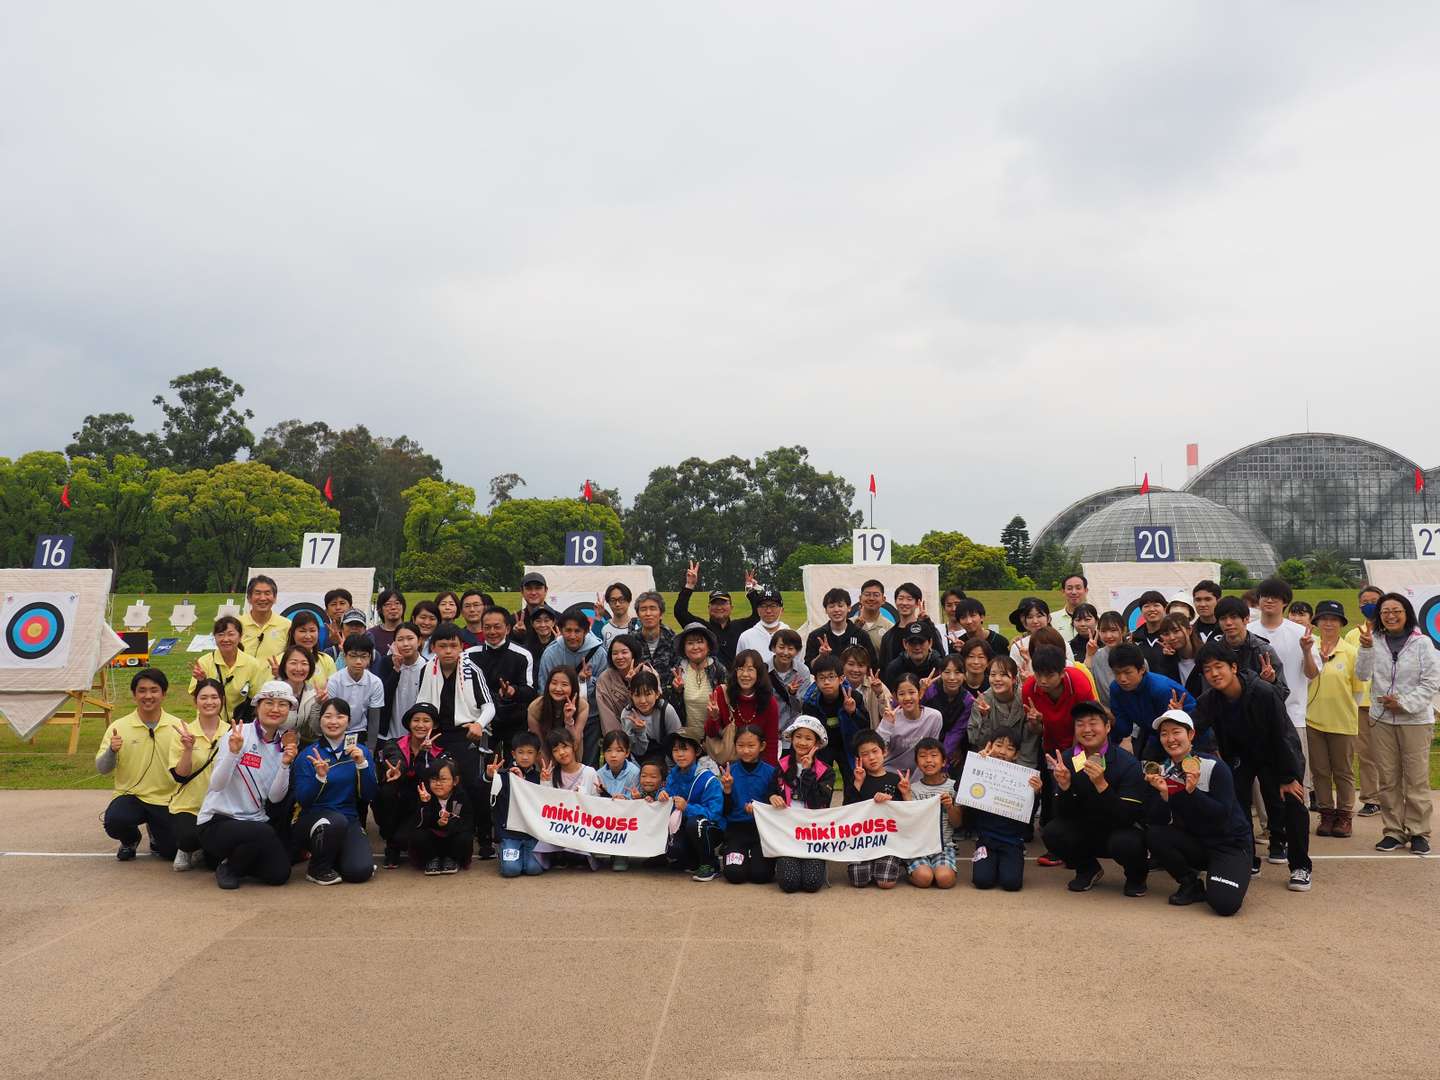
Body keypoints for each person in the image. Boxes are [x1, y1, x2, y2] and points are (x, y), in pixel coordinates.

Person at [1191, 640, 1312, 889]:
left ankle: (1300, 865)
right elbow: (1192, 729)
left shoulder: (1264, 692)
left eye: (1218, 667)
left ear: (1233, 667)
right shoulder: (1209, 701)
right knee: (1235, 802)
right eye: (1207, 670)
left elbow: (1282, 736)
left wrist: (1289, 777)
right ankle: (1248, 858)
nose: (1214, 674)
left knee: (1292, 801)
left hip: (1278, 752)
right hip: (1240, 757)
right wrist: (1179, 719)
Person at [1142, 709, 1253, 915]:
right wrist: (1165, 795)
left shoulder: (1214, 766)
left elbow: (1221, 816)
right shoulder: (1163, 771)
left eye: (1176, 732)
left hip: (1229, 845)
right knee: (1154, 835)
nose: (1170, 739)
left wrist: (1191, 793)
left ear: (1191, 735)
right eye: (1164, 734)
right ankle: (1190, 883)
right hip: (1196, 843)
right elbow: (1156, 820)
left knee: (1224, 905)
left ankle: (1226, 872)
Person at [1354, 593, 1440, 854]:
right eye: (1385, 612)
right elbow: (1362, 674)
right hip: (1381, 719)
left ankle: (1418, 832)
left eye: (1396, 611)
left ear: (1407, 613)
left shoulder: (1422, 643)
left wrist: (1403, 702)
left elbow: (1432, 682)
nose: (1390, 616)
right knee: (1388, 778)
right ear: (1379, 616)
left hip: (1415, 719)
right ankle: (1393, 831)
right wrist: (1366, 648)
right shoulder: (1373, 641)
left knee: (1415, 778)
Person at [196, 681, 299, 889]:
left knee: (279, 874)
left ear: (289, 710)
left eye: (282, 704)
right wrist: (234, 753)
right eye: (269, 703)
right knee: (263, 833)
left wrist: (285, 765)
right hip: (218, 821)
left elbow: (275, 797)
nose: (275, 709)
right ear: (257, 706)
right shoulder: (238, 734)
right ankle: (230, 868)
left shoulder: (283, 746)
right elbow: (216, 784)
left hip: (255, 822)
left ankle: (233, 859)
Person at [1041, 701, 1149, 895]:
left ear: (1107, 727)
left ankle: (1136, 876)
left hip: (1119, 831)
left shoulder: (1127, 763)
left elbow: (1128, 817)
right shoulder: (1067, 760)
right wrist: (1065, 787)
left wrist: (1102, 785)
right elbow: (1062, 814)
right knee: (1053, 832)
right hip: (1086, 829)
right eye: (1080, 724)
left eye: (1093, 723)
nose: (1087, 729)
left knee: (1127, 843)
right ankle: (1087, 869)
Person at [417, 623, 498, 858]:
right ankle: (438, 836)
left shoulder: (472, 669)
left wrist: (478, 724)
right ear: (433, 648)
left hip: (467, 734)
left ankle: (484, 840)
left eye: (453, 645)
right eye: (442, 646)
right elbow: (422, 704)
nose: (448, 651)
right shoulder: (427, 670)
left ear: (461, 647)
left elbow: (489, 706)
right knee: (435, 784)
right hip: (438, 735)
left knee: (475, 785)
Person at [97, 668, 182, 862]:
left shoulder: (178, 726)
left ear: (164, 694)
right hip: (131, 796)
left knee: (170, 852)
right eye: (142, 690)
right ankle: (130, 839)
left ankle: (156, 835)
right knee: (115, 821)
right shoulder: (119, 727)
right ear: (134, 694)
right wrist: (111, 750)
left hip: (166, 799)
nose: (148, 696)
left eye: (154, 690)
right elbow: (102, 768)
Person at [291, 699, 377, 885]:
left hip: (348, 819)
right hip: (314, 821)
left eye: (340, 716)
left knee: (359, 872)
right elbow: (303, 800)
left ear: (349, 720)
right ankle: (317, 868)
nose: (333, 721)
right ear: (320, 720)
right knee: (334, 821)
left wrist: (362, 764)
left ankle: (337, 856)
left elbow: (369, 795)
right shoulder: (309, 754)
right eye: (327, 716)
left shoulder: (360, 751)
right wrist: (319, 778)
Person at [1248, 577, 1318, 782]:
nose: (1269, 601)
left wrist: (1306, 651)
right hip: (1257, 717)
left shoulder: (1299, 633)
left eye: (1275, 597)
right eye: (1265, 596)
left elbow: (1312, 674)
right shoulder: (1249, 632)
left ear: (1285, 602)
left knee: (1296, 777)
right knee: (1263, 781)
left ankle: (1299, 813)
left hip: (1293, 715)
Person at [1307, 601, 1363, 839]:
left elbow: (1358, 691)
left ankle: (1344, 815)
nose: (1328, 623)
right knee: (1319, 770)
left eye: (1334, 619)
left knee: (1343, 771)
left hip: (1342, 721)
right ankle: (1326, 813)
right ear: (1317, 622)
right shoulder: (1309, 647)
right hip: (1313, 720)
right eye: (1324, 618)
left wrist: (1347, 710)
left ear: (1341, 623)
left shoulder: (1351, 652)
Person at [765, 716, 835, 893]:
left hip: (814, 834)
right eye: (799, 736)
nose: (802, 742)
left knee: (811, 883)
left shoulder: (826, 771)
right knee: (789, 883)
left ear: (817, 743)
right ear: (792, 738)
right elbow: (770, 790)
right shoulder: (780, 766)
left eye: (808, 738)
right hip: (786, 834)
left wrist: (807, 772)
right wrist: (772, 796)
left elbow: (818, 802)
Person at [970, 728, 1042, 892]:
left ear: (1016, 754)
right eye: (999, 745)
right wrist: (978, 763)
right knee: (982, 880)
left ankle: (1012, 859)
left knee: (1011, 883)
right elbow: (962, 791)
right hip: (985, 839)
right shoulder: (979, 766)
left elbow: (1028, 815)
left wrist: (1036, 793)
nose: (1003, 752)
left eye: (1010, 749)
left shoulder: (1024, 779)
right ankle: (991, 863)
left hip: (1012, 841)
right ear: (990, 745)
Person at [168, 678, 229, 871]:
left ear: (222, 700)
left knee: (214, 863)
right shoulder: (184, 732)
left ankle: (205, 849)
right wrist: (188, 749)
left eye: (214, 697)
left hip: (221, 807)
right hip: (190, 806)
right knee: (188, 837)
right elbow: (180, 776)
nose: (209, 702)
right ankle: (187, 848)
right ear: (196, 701)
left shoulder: (232, 732)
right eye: (203, 697)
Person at [375, 703, 445, 868]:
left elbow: (434, 778)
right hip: (399, 801)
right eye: (416, 720)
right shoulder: (394, 744)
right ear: (409, 723)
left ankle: (410, 840)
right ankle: (391, 847)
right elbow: (394, 759)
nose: (420, 725)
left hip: (424, 803)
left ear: (434, 725)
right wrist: (398, 772)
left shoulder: (441, 751)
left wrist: (424, 754)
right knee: (386, 792)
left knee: (406, 840)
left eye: (426, 721)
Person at [537, 607, 608, 761]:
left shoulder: (599, 653)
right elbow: (543, 687)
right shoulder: (551, 653)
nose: (572, 636)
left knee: (588, 762)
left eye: (577, 631)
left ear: (586, 631)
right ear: (560, 630)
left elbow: (605, 687)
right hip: (558, 718)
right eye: (568, 630)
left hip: (590, 717)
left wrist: (588, 680)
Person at [466, 606, 537, 756]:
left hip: (515, 721)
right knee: (484, 767)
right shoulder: (469, 656)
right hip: (483, 722)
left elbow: (530, 691)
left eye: (497, 627)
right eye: (487, 627)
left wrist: (512, 691)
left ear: (508, 628)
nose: (492, 632)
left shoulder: (522, 655)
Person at [1105, 643, 1196, 758]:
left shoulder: (1160, 689)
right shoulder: (1116, 689)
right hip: (1155, 733)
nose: (1122, 679)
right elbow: (1124, 728)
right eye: (1117, 673)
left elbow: (1173, 728)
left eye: (1127, 673)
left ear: (1142, 669)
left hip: (1190, 733)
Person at [845, 728, 908, 889]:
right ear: (858, 759)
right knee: (859, 881)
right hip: (862, 840)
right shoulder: (856, 780)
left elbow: (906, 813)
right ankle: (873, 865)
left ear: (884, 752)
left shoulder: (895, 779)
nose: (871, 757)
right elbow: (846, 811)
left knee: (886, 882)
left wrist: (892, 800)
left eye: (875, 751)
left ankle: (894, 863)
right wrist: (857, 784)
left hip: (888, 841)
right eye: (865, 754)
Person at [801, 654, 868, 801]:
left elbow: (864, 726)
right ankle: (823, 816)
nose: (826, 682)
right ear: (816, 680)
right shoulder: (810, 702)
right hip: (823, 746)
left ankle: (851, 816)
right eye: (822, 678)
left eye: (831, 677)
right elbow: (808, 730)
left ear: (841, 678)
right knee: (822, 781)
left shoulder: (854, 697)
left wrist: (852, 712)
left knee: (853, 781)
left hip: (848, 744)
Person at [717, 725, 778, 884]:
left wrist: (759, 809)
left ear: (762, 746)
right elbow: (724, 811)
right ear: (735, 745)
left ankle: (755, 858)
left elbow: (776, 807)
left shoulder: (771, 772)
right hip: (736, 830)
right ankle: (736, 853)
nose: (745, 750)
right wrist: (727, 790)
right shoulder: (730, 773)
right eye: (741, 745)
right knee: (734, 874)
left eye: (751, 746)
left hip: (762, 831)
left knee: (761, 875)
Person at [663, 731, 725, 881]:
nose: (680, 754)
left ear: (696, 751)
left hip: (710, 829)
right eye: (676, 750)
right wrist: (662, 795)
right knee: (674, 849)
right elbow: (669, 800)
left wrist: (687, 807)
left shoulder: (708, 778)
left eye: (684, 749)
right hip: (684, 826)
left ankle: (710, 864)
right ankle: (691, 860)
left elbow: (715, 813)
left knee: (695, 823)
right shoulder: (673, 774)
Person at [1345, 584, 1385, 817]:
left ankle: (1392, 795)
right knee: (1367, 753)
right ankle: (1372, 798)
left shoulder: (1392, 630)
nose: (1368, 605)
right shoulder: (1352, 634)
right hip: (1361, 702)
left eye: (1373, 600)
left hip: (1387, 701)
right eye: (1364, 602)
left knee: (1392, 753)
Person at [675, 560, 762, 665]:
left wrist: (751, 592)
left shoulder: (740, 627)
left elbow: (759, 615)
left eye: (723, 603)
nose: (719, 607)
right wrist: (689, 585)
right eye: (715, 603)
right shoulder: (701, 628)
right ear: (709, 607)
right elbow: (680, 612)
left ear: (731, 607)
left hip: (737, 679)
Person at [707, 649, 780, 765]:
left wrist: (770, 775)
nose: (745, 674)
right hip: (726, 763)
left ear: (759, 673)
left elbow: (771, 743)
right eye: (740, 669)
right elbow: (710, 734)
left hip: (756, 764)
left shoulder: (769, 702)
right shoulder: (722, 694)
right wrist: (714, 717)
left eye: (750, 670)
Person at [488, 731, 545, 878]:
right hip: (509, 833)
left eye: (530, 752)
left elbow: (544, 802)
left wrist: (545, 782)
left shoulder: (540, 777)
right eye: (521, 752)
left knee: (534, 869)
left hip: (532, 833)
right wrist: (489, 776)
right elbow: (483, 789)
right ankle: (505, 851)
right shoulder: (503, 775)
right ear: (513, 754)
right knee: (510, 870)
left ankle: (528, 852)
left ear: (537, 755)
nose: (525, 757)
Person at [189, 615, 267, 721]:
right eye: (220, 635)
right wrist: (201, 681)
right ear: (214, 638)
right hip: (210, 721)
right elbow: (196, 696)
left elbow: (256, 697)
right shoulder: (204, 662)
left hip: (241, 722)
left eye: (231, 634)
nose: (226, 639)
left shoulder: (252, 664)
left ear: (240, 637)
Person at [906, 737, 959, 889]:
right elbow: (910, 822)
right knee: (924, 879)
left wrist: (950, 807)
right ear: (917, 763)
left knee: (945, 880)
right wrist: (906, 795)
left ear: (944, 761)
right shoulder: (913, 789)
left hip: (944, 846)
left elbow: (957, 823)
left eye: (934, 755)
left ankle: (944, 868)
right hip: (918, 846)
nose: (928, 760)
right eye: (923, 756)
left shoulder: (953, 787)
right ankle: (910, 866)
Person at [967, 656, 1037, 769]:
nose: (997, 679)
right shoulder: (981, 701)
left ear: (1014, 679)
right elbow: (976, 740)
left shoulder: (1026, 700)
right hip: (988, 761)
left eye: (1003, 675)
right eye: (993, 675)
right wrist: (985, 718)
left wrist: (1022, 772)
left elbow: (1029, 743)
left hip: (1019, 763)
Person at [411, 758, 473, 874]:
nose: (438, 784)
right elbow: (420, 823)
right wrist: (425, 804)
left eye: (443, 779)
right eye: (434, 779)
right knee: (418, 835)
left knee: (465, 837)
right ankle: (432, 859)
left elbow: (467, 823)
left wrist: (448, 823)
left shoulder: (461, 796)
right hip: (433, 842)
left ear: (455, 781)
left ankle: (452, 859)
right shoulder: (425, 796)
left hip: (453, 839)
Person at [325, 633, 386, 748]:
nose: (358, 661)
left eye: (363, 656)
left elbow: (374, 720)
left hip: (360, 731)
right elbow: (330, 714)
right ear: (345, 656)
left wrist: (371, 749)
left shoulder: (375, 682)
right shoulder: (334, 681)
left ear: (370, 658)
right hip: (335, 730)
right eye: (353, 656)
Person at [669, 623, 727, 742]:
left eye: (700, 642)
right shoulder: (679, 670)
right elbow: (672, 710)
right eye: (690, 643)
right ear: (684, 648)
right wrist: (677, 691)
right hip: (687, 740)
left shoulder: (719, 670)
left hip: (715, 739)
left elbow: (729, 706)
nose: (695, 647)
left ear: (708, 646)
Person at [877, 673, 942, 773]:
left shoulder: (934, 717)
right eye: (902, 694)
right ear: (895, 697)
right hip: (891, 772)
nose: (907, 698)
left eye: (912, 692)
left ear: (920, 693)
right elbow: (877, 747)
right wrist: (887, 725)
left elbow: (932, 750)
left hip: (920, 774)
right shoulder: (891, 717)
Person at [373, 622, 426, 743]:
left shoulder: (426, 666)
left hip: (417, 735)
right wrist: (396, 670)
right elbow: (382, 697)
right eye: (400, 639)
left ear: (419, 641)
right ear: (394, 643)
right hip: (389, 735)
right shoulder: (386, 663)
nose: (405, 644)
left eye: (410, 638)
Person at [926, 651, 976, 767]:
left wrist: (941, 760)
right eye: (947, 672)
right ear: (940, 673)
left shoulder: (968, 700)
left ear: (965, 675)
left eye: (958, 672)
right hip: (924, 739)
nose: (952, 678)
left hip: (948, 747)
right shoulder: (929, 691)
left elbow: (957, 731)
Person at [804, 587, 878, 666]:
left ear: (849, 608)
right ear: (825, 610)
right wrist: (821, 656)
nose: (836, 610)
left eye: (840, 606)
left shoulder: (861, 635)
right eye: (831, 606)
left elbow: (872, 664)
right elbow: (808, 667)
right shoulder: (816, 636)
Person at [528, 667, 587, 762]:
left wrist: (569, 720)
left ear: (573, 687)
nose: (558, 688)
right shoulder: (535, 707)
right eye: (554, 683)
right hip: (545, 753)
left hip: (572, 754)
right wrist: (548, 770)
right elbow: (539, 745)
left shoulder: (582, 706)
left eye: (564, 684)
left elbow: (575, 743)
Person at [878, 583, 945, 668]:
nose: (904, 603)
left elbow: (941, 657)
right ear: (895, 602)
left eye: (909, 599)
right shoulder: (888, 637)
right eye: (900, 599)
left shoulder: (929, 630)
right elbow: (883, 667)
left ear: (918, 603)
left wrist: (927, 623)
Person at [621, 670, 683, 759]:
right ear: (631, 695)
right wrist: (640, 731)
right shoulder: (628, 714)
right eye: (637, 695)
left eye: (648, 694)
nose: (643, 701)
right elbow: (637, 751)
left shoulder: (666, 710)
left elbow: (677, 741)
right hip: (639, 761)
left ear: (657, 694)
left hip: (667, 758)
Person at [594, 634, 642, 739]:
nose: (619, 657)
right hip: (617, 739)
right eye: (615, 653)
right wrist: (618, 742)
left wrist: (633, 684)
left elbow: (649, 706)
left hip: (646, 733)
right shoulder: (604, 679)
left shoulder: (648, 673)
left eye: (624, 652)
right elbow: (606, 715)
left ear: (633, 653)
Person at [277, 645, 325, 744]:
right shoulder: (273, 691)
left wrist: (318, 704)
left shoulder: (312, 694)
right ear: (284, 666)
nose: (299, 669)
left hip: (296, 746)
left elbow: (314, 732)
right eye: (293, 663)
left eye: (304, 663)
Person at [240, 574, 291, 665]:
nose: (263, 598)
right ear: (248, 598)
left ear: (275, 598)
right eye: (257, 593)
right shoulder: (237, 625)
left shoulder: (287, 625)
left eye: (267, 593)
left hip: (275, 679)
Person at [279, 610, 337, 688]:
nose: (308, 636)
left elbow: (333, 690)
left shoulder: (326, 660)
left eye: (312, 631)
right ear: (293, 633)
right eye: (302, 631)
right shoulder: (279, 660)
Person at [631, 590, 679, 679]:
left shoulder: (673, 639)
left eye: (653, 608)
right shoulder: (631, 641)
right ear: (638, 615)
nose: (648, 614)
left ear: (661, 614)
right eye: (643, 609)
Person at [883, 621, 941, 690]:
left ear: (930, 643)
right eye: (912, 643)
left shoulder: (940, 667)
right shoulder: (894, 669)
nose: (917, 647)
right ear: (904, 644)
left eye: (921, 642)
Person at [1086, 611, 1127, 709]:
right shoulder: (1096, 656)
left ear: (1123, 630)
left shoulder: (1135, 654)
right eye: (1103, 631)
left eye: (1113, 630)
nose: (1108, 636)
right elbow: (1086, 681)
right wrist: (1089, 655)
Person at [1007, 597, 1052, 679]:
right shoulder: (1018, 647)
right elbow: (1013, 677)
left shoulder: (1060, 642)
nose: (1035, 621)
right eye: (1030, 617)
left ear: (1048, 618)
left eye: (1039, 616)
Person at [1129, 591, 1172, 675]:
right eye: (1146, 606)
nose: (1152, 609)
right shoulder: (1133, 639)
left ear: (1165, 608)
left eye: (1156, 605)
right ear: (1141, 611)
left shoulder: (1173, 636)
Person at [855, 579, 891, 657]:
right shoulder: (849, 624)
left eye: (876, 595)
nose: (871, 598)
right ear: (860, 598)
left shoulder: (890, 627)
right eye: (867, 594)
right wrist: (855, 629)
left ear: (883, 600)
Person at [1052, 573, 1090, 643]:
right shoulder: (1051, 619)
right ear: (1063, 591)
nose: (1074, 592)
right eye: (1069, 588)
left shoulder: (1097, 618)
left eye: (1078, 588)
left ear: (1086, 590)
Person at [369, 588, 407, 657]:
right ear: (380, 609)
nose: (393, 607)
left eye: (397, 603)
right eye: (388, 604)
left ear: (403, 607)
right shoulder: (371, 635)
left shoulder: (411, 631)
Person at [322, 588, 354, 657]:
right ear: (326, 611)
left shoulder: (358, 630)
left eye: (342, 603)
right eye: (333, 604)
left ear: (351, 608)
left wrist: (339, 642)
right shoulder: (319, 632)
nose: (338, 607)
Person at [940, 588, 969, 653]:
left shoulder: (971, 632)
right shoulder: (937, 631)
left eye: (957, 604)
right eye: (949, 605)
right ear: (944, 608)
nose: (954, 609)